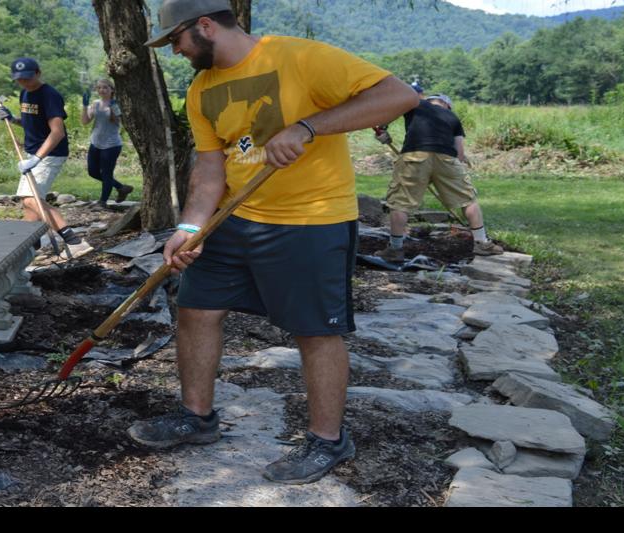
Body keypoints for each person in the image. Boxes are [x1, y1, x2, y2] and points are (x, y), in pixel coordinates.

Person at [126, 0, 420, 485]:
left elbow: (400, 95)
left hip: (311, 221)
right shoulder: (202, 89)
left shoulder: (300, 57)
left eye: (175, 39)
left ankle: (328, 440)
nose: (174, 51)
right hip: (233, 219)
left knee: (314, 330)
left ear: (204, 26)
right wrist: (192, 229)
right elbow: (210, 167)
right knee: (196, 309)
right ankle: (196, 417)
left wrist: (308, 126)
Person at [374, 94, 501, 261]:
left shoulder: (416, 104)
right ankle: (482, 242)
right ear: (447, 105)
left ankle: (395, 250)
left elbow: (394, 106)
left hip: (415, 155)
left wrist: (382, 129)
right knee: (468, 200)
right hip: (447, 158)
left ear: (429, 101)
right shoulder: (453, 117)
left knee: (400, 203)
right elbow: (460, 155)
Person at [0, 57, 83, 253]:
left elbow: (57, 132)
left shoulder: (49, 95)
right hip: (32, 153)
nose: (24, 82)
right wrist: (11, 119)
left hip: (49, 154)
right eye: (19, 79)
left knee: (29, 198)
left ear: (38, 73)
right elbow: (30, 122)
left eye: (27, 78)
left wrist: (37, 159)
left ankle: (72, 239)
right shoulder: (24, 93)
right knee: (30, 203)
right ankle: (31, 243)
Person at [80, 77, 134, 206]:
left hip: (111, 145)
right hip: (96, 142)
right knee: (92, 172)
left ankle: (102, 201)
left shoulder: (117, 104)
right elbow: (85, 122)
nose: (102, 90)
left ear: (112, 89)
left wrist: (113, 109)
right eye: (99, 88)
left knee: (107, 173)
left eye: (105, 87)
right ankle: (121, 187)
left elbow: (116, 122)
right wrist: (85, 106)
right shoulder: (96, 103)